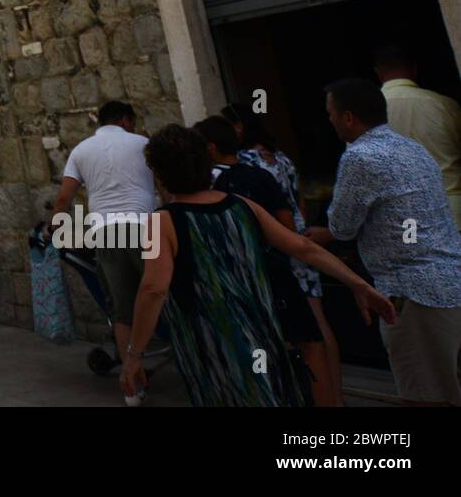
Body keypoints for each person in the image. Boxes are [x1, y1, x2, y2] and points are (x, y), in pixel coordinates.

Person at [121, 125, 395, 407]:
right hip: (263, 335)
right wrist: (358, 283)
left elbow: (154, 288)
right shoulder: (242, 205)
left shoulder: (160, 223)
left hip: (213, 347)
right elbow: (304, 247)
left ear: (160, 174)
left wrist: (134, 354)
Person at [307, 78, 461, 406]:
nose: (330, 121)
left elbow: (343, 225)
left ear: (348, 117)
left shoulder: (359, 157)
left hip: (412, 291)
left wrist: (323, 232)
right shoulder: (411, 147)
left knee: (424, 396)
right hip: (449, 279)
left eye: (331, 114)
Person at [193, 115, 332, 406]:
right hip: (279, 265)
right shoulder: (261, 174)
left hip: (240, 275)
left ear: (211, 148)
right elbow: (286, 224)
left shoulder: (209, 185)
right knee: (309, 337)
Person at [50, 101, 156, 375]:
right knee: (162, 293)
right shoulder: (143, 143)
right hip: (147, 227)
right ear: (124, 120)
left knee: (121, 309)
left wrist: (56, 228)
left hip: (106, 232)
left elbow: (64, 198)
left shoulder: (81, 150)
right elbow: (165, 185)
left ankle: (133, 378)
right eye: (131, 121)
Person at [374, 41, 461, 230]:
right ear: (414, 70)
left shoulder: (367, 113)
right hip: (453, 212)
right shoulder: (444, 104)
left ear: (378, 73)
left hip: (406, 220)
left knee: (414, 256)